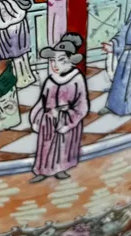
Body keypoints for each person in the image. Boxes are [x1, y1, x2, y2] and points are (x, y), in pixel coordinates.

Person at [29, 33, 88, 182]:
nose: (55, 65)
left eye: (61, 60)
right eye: (53, 60)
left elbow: (82, 104)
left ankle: (61, 169)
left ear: (71, 60)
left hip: (66, 120)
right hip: (48, 120)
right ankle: (43, 170)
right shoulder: (51, 80)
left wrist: (68, 120)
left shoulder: (76, 79)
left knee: (64, 145)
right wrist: (35, 118)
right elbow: (42, 101)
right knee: (46, 146)